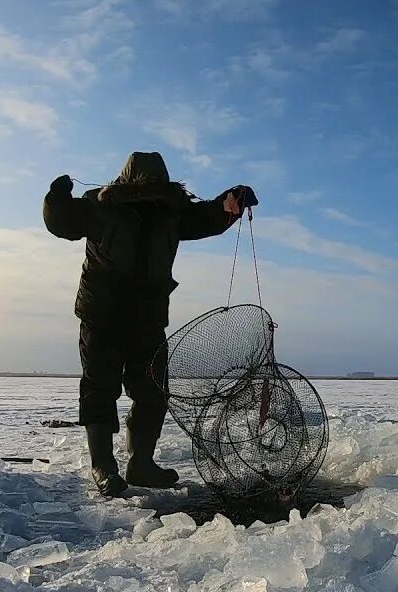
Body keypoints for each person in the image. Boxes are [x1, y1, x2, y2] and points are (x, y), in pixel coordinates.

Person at [42, 151, 257, 497]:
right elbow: (61, 222)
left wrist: (232, 200)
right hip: (103, 316)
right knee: (101, 389)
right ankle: (104, 467)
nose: (151, 186)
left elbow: (208, 217)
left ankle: (140, 464)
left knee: (153, 391)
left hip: (148, 317)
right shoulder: (101, 206)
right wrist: (56, 197)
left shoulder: (171, 213)